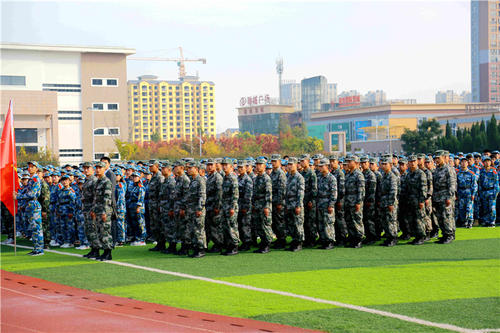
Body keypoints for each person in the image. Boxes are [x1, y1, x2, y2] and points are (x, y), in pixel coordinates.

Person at [15, 162, 43, 255]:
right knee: (33, 228)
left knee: (37, 228)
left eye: (32, 167)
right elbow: (26, 191)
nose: (30, 168)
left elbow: (32, 194)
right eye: (29, 167)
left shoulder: (35, 179)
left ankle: (39, 249)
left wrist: (18, 196)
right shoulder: (31, 179)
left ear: (36, 169)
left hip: (34, 204)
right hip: (30, 205)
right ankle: (36, 248)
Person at [91, 161, 114, 261]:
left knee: (105, 232)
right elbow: (95, 198)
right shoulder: (98, 181)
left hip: (105, 210)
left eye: (100, 168)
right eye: (96, 168)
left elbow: (107, 198)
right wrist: (93, 210)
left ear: (104, 169)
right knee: (100, 231)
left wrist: (104, 211)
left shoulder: (107, 181)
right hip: (98, 210)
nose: (98, 169)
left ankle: (108, 253)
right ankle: (104, 252)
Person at [432, 150, 457, 244]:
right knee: (440, 217)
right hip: (438, 196)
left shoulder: (448, 169)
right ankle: (445, 234)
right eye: (436, 158)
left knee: (447, 216)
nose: (437, 160)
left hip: (446, 196)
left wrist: (449, 197)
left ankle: (449, 234)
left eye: (439, 158)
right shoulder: (437, 169)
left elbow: (452, 184)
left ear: (444, 158)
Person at [185, 161, 207, 258]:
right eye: (188, 168)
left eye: (191, 168)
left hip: (197, 209)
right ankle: (196, 248)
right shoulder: (193, 180)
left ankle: (201, 249)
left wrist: (200, 208)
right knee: (193, 229)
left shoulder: (200, 180)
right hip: (191, 209)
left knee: (199, 229)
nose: (188, 170)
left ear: (196, 169)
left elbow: (202, 196)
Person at [252, 157, 274, 254]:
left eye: (260, 164)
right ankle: (262, 243)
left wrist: (267, 207)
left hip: (264, 204)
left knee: (265, 224)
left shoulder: (266, 178)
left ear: (264, 166)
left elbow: (268, 194)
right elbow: (254, 193)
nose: (258, 166)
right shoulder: (256, 178)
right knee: (258, 225)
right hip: (257, 205)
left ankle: (267, 244)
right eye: (257, 164)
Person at [344, 155, 365, 248]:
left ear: (356, 163)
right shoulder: (348, 174)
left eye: (350, 161)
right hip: (348, 201)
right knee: (349, 221)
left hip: (355, 202)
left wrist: (358, 202)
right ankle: (352, 238)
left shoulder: (359, 175)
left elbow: (361, 190)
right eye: (347, 161)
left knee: (357, 220)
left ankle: (359, 239)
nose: (348, 163)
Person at [406, 155, 428, 245]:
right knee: (412, 220)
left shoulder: (421, 173)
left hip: (418, 200)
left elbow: (423, 188)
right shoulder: (409, 174)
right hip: (411, 200)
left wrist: (422, 201)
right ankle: (416, 237)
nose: (412, 163)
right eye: (410, 162)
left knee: (419, 219)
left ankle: (421, 237)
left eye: (414, 161)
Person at [284, 157, 305, 251]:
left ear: (296, 165)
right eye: (288, 164)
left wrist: (298, 205)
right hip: (289, 203)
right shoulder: (288, 177)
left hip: (296, 203)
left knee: (298, 224)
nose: (289, 166)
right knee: (291, 224)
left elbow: (300, 193)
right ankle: (294, 241)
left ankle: (299, 242)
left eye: (291, 164)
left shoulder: (299, 177)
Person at [316, 158, 337, 249]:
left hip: (327, 203)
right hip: (320, 203)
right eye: (319, 166)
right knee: (321, 223)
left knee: (328, 223)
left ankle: (330, 241)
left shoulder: (331, 178)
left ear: (327, 166)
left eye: (322, 166)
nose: (320, 168)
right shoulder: (319, 177)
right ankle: (324, 240)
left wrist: (331, 204)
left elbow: (334, 193)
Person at [220, 158, 240, 255]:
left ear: (231, 166)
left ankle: (234, 246)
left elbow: (235, 194)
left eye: (226, 165)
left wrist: (232, 207)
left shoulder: (233, 178)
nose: (224, 166)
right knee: (226, 226)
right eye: (223, 165)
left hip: (231, 206)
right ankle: (229, 245)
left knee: (232, 226)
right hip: (225, 205)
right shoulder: (225, 177)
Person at [379, 157, 399, 246]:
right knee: (385, 221)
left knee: (391, 220)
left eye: (385, 164)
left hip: (390, 202)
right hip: (383, 201)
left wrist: (391, 203)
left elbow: (393, 191)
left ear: (390, 165)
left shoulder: (392, 176)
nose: (383, 166)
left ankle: (393, 238)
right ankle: (388, 237)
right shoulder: (383, 176)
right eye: (382, 164)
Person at [205, 158, 224, 253]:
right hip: (209, 205)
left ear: (216, 165)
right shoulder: (209, 177)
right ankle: (214, 244)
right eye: (208, 165)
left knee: (216, 226)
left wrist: (217, 206)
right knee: (209, 226)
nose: (209, 167)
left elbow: (219, 193)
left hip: (215, 206)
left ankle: (219, 244)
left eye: (211, 165)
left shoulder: (217, 177)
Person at [159, 161, 177, 254]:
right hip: (164, 208)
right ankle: (168, 245)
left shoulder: (171, 181)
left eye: (163, 168)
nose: (162, 170)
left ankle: (172, 246)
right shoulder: (165, 180)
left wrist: (171, 209)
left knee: (171, 227)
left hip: (169, 208)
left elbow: (172, 197)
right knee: (166, 227)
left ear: (169, 169)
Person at [147, 160, 165, 251]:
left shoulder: (159, 177)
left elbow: (161, 193)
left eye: (152, 166)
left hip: (157, 205)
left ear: (157, 166)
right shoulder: (153, 176)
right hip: (152, 205)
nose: (150, 167)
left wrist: (159, 205)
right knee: (154, 225)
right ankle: (159, 243)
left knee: (159, 225)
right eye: (149, 166)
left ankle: (162, 243)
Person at [300, 154, 318, 247]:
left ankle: (312, 239)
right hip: (304, 200)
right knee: (305, 221)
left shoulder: (312, 173)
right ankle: (307, 239)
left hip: (310, 201)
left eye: (303, 161)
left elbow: (314, 189)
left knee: (311, 221)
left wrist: (311, 200)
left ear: (307, 161)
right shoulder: (302, 173)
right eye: (301, 161)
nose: (301, 163)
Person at [270, 154, 287, 249]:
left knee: (280, 221)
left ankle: (282, 240)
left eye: (275, 161)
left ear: (279, 162)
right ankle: (279, 238)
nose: (273, 163)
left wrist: (280, 202)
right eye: (272, 161)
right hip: (273, 201)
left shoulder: (281, 174)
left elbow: (282, 189)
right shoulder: (273, 173)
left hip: (279, 202)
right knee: (275, 222)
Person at [478, 156, 499, 227]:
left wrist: (495, 193)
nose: (487, 162)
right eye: (485, 161)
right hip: (484, 191)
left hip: (491, 191)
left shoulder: (493, 171)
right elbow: (480, 183)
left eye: (488, 161)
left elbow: (496, 183)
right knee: (485, 207)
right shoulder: (481, 171)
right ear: (483, 162)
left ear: (490, 162)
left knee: (492, 208)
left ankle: (492, 221)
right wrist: (480, 193)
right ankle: (486, 221)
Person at [237, 160, 253, 251]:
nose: (239, 169)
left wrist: (245, 207)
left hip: (245, 206)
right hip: (239, 205)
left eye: (241, 168)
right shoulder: (238, 178)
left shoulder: (247, 179)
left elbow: (248, 195)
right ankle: (244, 241)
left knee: (245, 225)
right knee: (240, 225)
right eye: (238, 168)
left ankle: (247, 242)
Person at [456, 158, 477, 228]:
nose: (464, 163)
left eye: (465, 162)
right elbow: (456, 184)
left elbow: (474, 185)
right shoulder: (458, 173)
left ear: (467, 163)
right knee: (461, 208)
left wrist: (473, 194)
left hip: (469, 192)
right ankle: (463, 222)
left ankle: (470, 222)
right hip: (461, 192)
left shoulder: (471, 173)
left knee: (469, 207)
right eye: (462, 162)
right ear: (460, 163)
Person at [360, 156, 377, 244]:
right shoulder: (362, 173)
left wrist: (369, 201)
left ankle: (372, 237)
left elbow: (372, 190)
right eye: (362, 163)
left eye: (365, 163)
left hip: (369, 201)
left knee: (370, 220)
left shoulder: (371, 175)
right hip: (363, 200)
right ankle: (368, 236)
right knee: (365, 220)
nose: (363, 165)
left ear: (368, 163)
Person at [127, 171, 147, 246]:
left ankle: (142, 239)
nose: (134, 178)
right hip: (132, 206)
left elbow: (141, 198)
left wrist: (138, 207)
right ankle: (136, 238)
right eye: (133, 177)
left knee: (140, 223)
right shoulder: (133, 186)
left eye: (136, 177)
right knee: (134, 223)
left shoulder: (141, 187)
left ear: (139, 178)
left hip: (138, 206)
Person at [57, 174, 77, 248]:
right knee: (63, 226)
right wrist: (58, 210)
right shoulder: (61, 191)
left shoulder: (71, 191)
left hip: (68, 211)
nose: (64, 182)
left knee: (69, 227)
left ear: (69, 181)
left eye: (66, 180)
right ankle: (65, 241)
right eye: (63, 180)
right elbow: (58, 201)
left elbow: (73, 202)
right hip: (62, 211)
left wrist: (71, 212)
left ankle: (70, 242)